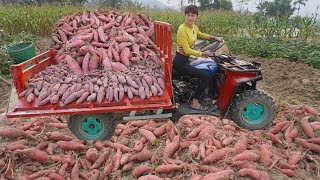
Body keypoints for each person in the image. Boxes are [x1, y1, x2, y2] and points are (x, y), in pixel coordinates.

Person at [173, 5, 223, 110]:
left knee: (202, 68)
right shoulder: (182, 29)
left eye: (193, 15)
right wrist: (202, 54)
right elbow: (186, 50)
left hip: (186, 59)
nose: (190, 18)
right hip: (180, 62)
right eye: (188, 15)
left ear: (196, 16)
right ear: (185, 16)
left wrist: (214, 37)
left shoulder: (193, 27)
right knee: (206, 77)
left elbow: (200, 34)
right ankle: (194, 102)